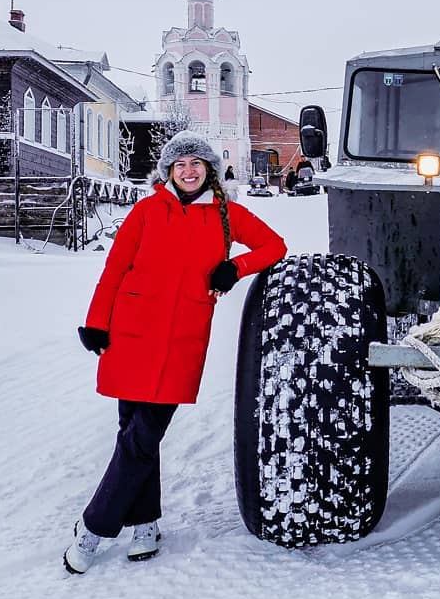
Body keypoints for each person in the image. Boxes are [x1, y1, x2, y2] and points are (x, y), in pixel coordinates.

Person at [64, 131, 286, 574]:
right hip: (131, 333)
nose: (188, 171)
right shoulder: (146, 211)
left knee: (143, 435)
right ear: (168, 171)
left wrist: (234, 267)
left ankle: (94, 527)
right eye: (180, 164)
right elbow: (116, 267)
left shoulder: (227, 216)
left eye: (196, 163)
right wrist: (96, 321)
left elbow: (274, 246)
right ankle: (146, 524)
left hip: (182, 337)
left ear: (209, 171)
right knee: (134, 434)